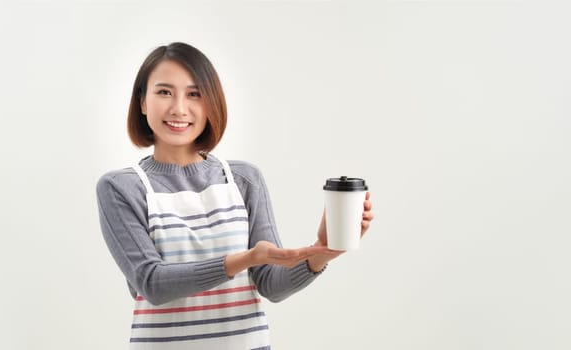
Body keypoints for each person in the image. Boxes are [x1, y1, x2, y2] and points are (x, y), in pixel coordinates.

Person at [96, 42, 374, 349]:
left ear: (211, 103)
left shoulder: (243, 179)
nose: (178, 108)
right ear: (142, 102)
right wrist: (245, 259)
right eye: (164, 92)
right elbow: (152, 283)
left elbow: (271, 284)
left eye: (194, 94)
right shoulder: (121, 187)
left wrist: (321, 251)